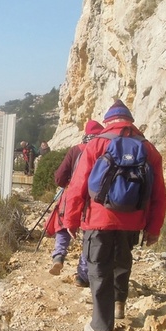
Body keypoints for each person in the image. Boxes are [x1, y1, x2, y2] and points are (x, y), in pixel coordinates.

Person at [63, 100, 166, 331]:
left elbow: (78, 186)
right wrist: (153, 229)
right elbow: (159, 195)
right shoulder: (149, 149)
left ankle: (100, 328)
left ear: (108, 121)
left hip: (99, 219)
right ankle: (119, 305)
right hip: (133, 220)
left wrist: (71, 219)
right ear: (130, 122)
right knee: (122, 261)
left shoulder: (97, 143)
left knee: (98, 268)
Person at [46, 120, 104, 287]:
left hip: (72, 193)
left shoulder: (76, 150)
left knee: (63, 225)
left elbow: (59, 178)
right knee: (88, 235)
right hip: (94, 199)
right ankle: (82, 275)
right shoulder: (104, 149)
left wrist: (67, 183)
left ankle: (58, 256)